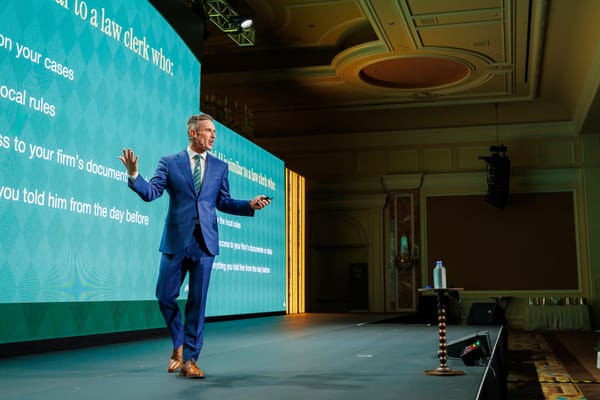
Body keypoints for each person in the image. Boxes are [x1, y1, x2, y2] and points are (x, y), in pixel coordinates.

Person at [118, 113, 270, 379]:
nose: (213, 136)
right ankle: (178, 343)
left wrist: (248, 205)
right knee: (165, 297)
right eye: (208, 131)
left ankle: (190, 360)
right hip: (176, 241)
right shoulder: (169, 162)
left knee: (197, 303)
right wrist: (134, 176)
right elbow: (152, 192)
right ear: (193, 133)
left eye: (214, 132)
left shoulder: (220, 167)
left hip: (205, 244)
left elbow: (223, 201)